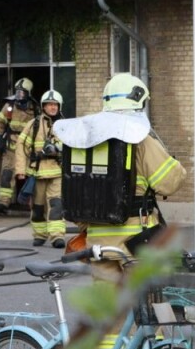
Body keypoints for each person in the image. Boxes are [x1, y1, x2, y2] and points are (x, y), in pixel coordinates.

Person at [55, 73, 187, 283]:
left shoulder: (86, 139)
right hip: (136, 242)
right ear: (139, 103)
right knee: (145, 307)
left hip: (99, 242)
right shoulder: (140, 140)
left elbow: (77, 189)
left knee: (109, 308)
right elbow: (169, 182)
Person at [15, 90, 66, 248]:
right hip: (37, 172)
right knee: (38, 207)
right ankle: (39, 235)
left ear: (59, 106)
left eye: (55, 105)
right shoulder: (34, 124)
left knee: (56, 205)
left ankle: (57, 236)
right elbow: (21, 146)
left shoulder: (65, 125)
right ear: (44, 107)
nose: (52, 107)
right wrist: (20, 170)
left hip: (57, 171)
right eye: (49, 105)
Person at [0, 77, 37, 213]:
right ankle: (4, 203)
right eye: (18, 92)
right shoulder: (9, 106)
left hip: (27, 150)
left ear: (28, 94)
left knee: (31, 176)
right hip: (10, 148)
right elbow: (0, 123)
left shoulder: (34, 108)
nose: (19, 96)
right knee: (6, 175)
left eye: (22, 93)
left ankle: (33, 204)